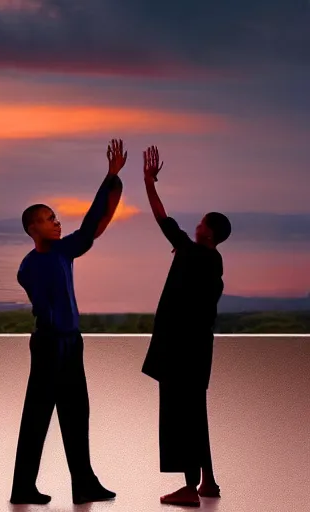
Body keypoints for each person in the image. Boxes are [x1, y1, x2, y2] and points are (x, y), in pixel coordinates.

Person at [10, 139, 127, 506]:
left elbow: (93, 224)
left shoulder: (63, 250)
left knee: (77, 415)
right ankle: (22, 488)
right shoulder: (30, 267)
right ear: (33, 228)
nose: (56, 221)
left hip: (71, 343)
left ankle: (84, 484)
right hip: (48, 345)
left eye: (55, 217)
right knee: (38, 418)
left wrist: (110, 179)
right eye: (49, 218)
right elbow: (46, 310)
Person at [141, 145, 231, 508]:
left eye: (202, 222)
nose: (197, 224)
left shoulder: (193, 254)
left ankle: (189, 488)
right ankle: (208, 481)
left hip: (180, 350)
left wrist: (149, 182)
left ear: (208, 232)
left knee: (182, 417)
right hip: (198, 349)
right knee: (196, 411)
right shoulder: (213, 261)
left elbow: (163, 219)